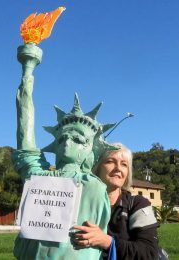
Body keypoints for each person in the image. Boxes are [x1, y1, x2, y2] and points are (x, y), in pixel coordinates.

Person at [12, 43, 118, 259]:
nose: (68, 142)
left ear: (91, 147)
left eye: (78, 139)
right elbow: (25, 129)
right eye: (62, 137)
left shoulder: (95, 187)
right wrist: (27, 72)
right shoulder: (38, 175)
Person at [73, 143, 160, 260]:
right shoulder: (78, 202)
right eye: (110, 161)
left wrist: (107, 241)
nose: (118, 168)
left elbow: (149, 253)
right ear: (96, 168)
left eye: (124, 164)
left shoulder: (137, 204)